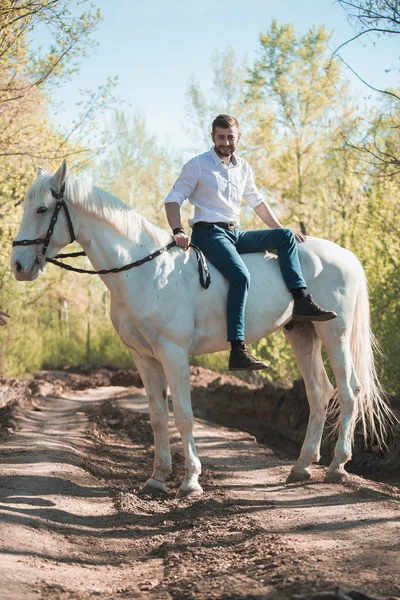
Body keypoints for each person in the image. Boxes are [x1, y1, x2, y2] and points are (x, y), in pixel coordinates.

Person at [164, 114, 337, 371]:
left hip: (234, 234)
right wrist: (177, 229)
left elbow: (257, 202)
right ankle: (238, 349)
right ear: (212, 137)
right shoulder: (197, 165)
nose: (225, 142)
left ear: (238, 137)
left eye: (230, 137)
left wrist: (279, 228)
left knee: (285, 236)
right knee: (240, 276)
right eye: (220, 137)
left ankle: (301, 301)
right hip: (208, 234)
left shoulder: (242, 167)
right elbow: (172, 199)